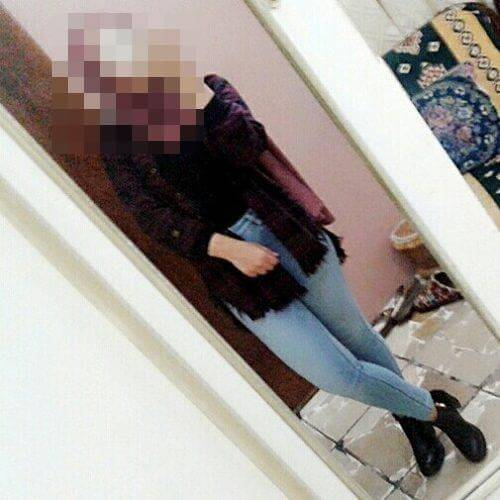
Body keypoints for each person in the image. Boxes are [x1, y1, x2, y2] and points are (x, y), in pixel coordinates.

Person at [58, 17, 487, 477]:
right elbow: (152, 217)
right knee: (335, 373)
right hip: (230, 268)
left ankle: (411, 421)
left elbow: (249, 145)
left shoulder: (210, 90)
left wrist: (197, 98)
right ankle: (436, 413)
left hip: (286, 232)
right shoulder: (117, 145)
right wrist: (227, 248)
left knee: (357, 338)